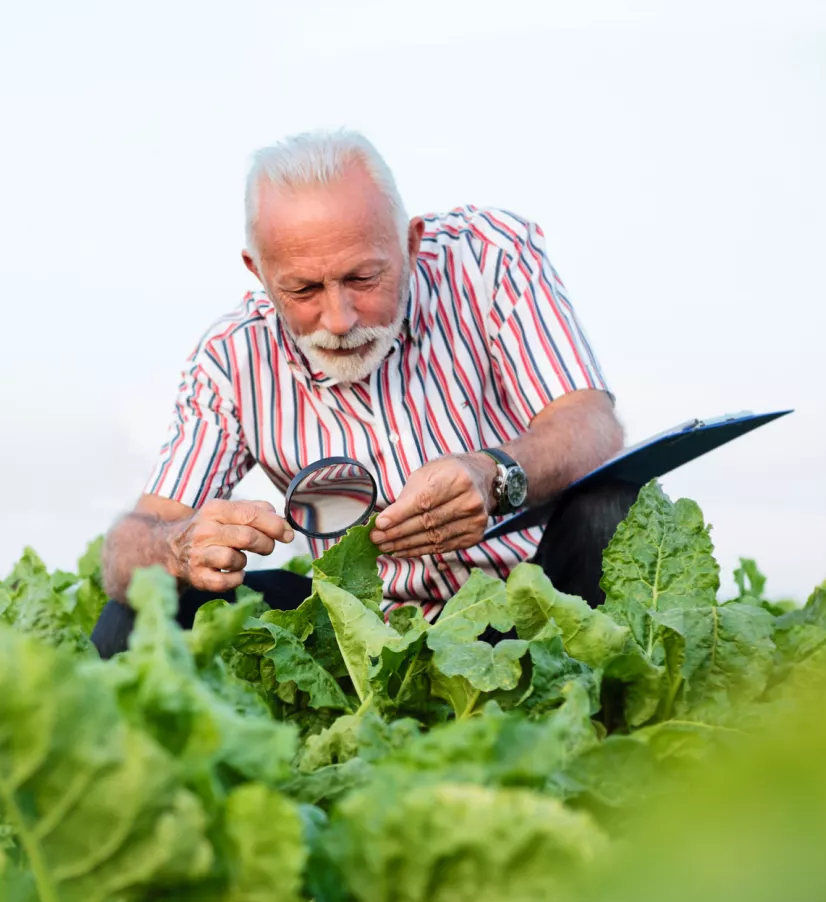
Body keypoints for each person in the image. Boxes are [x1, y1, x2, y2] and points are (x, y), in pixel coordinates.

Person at [94, 129, 633, 659]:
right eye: (303, 289)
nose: (339, 319)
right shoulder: (231, 358)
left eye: (363, 279)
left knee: (610, 506)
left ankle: (601, 722)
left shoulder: (488, 258)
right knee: (140, 609)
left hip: (533, 598)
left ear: (411, 243)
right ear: (259, 272)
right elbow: (130, 542)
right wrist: (178, 547)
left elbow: (590, 422)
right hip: (361, 642)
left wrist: (493, 473)